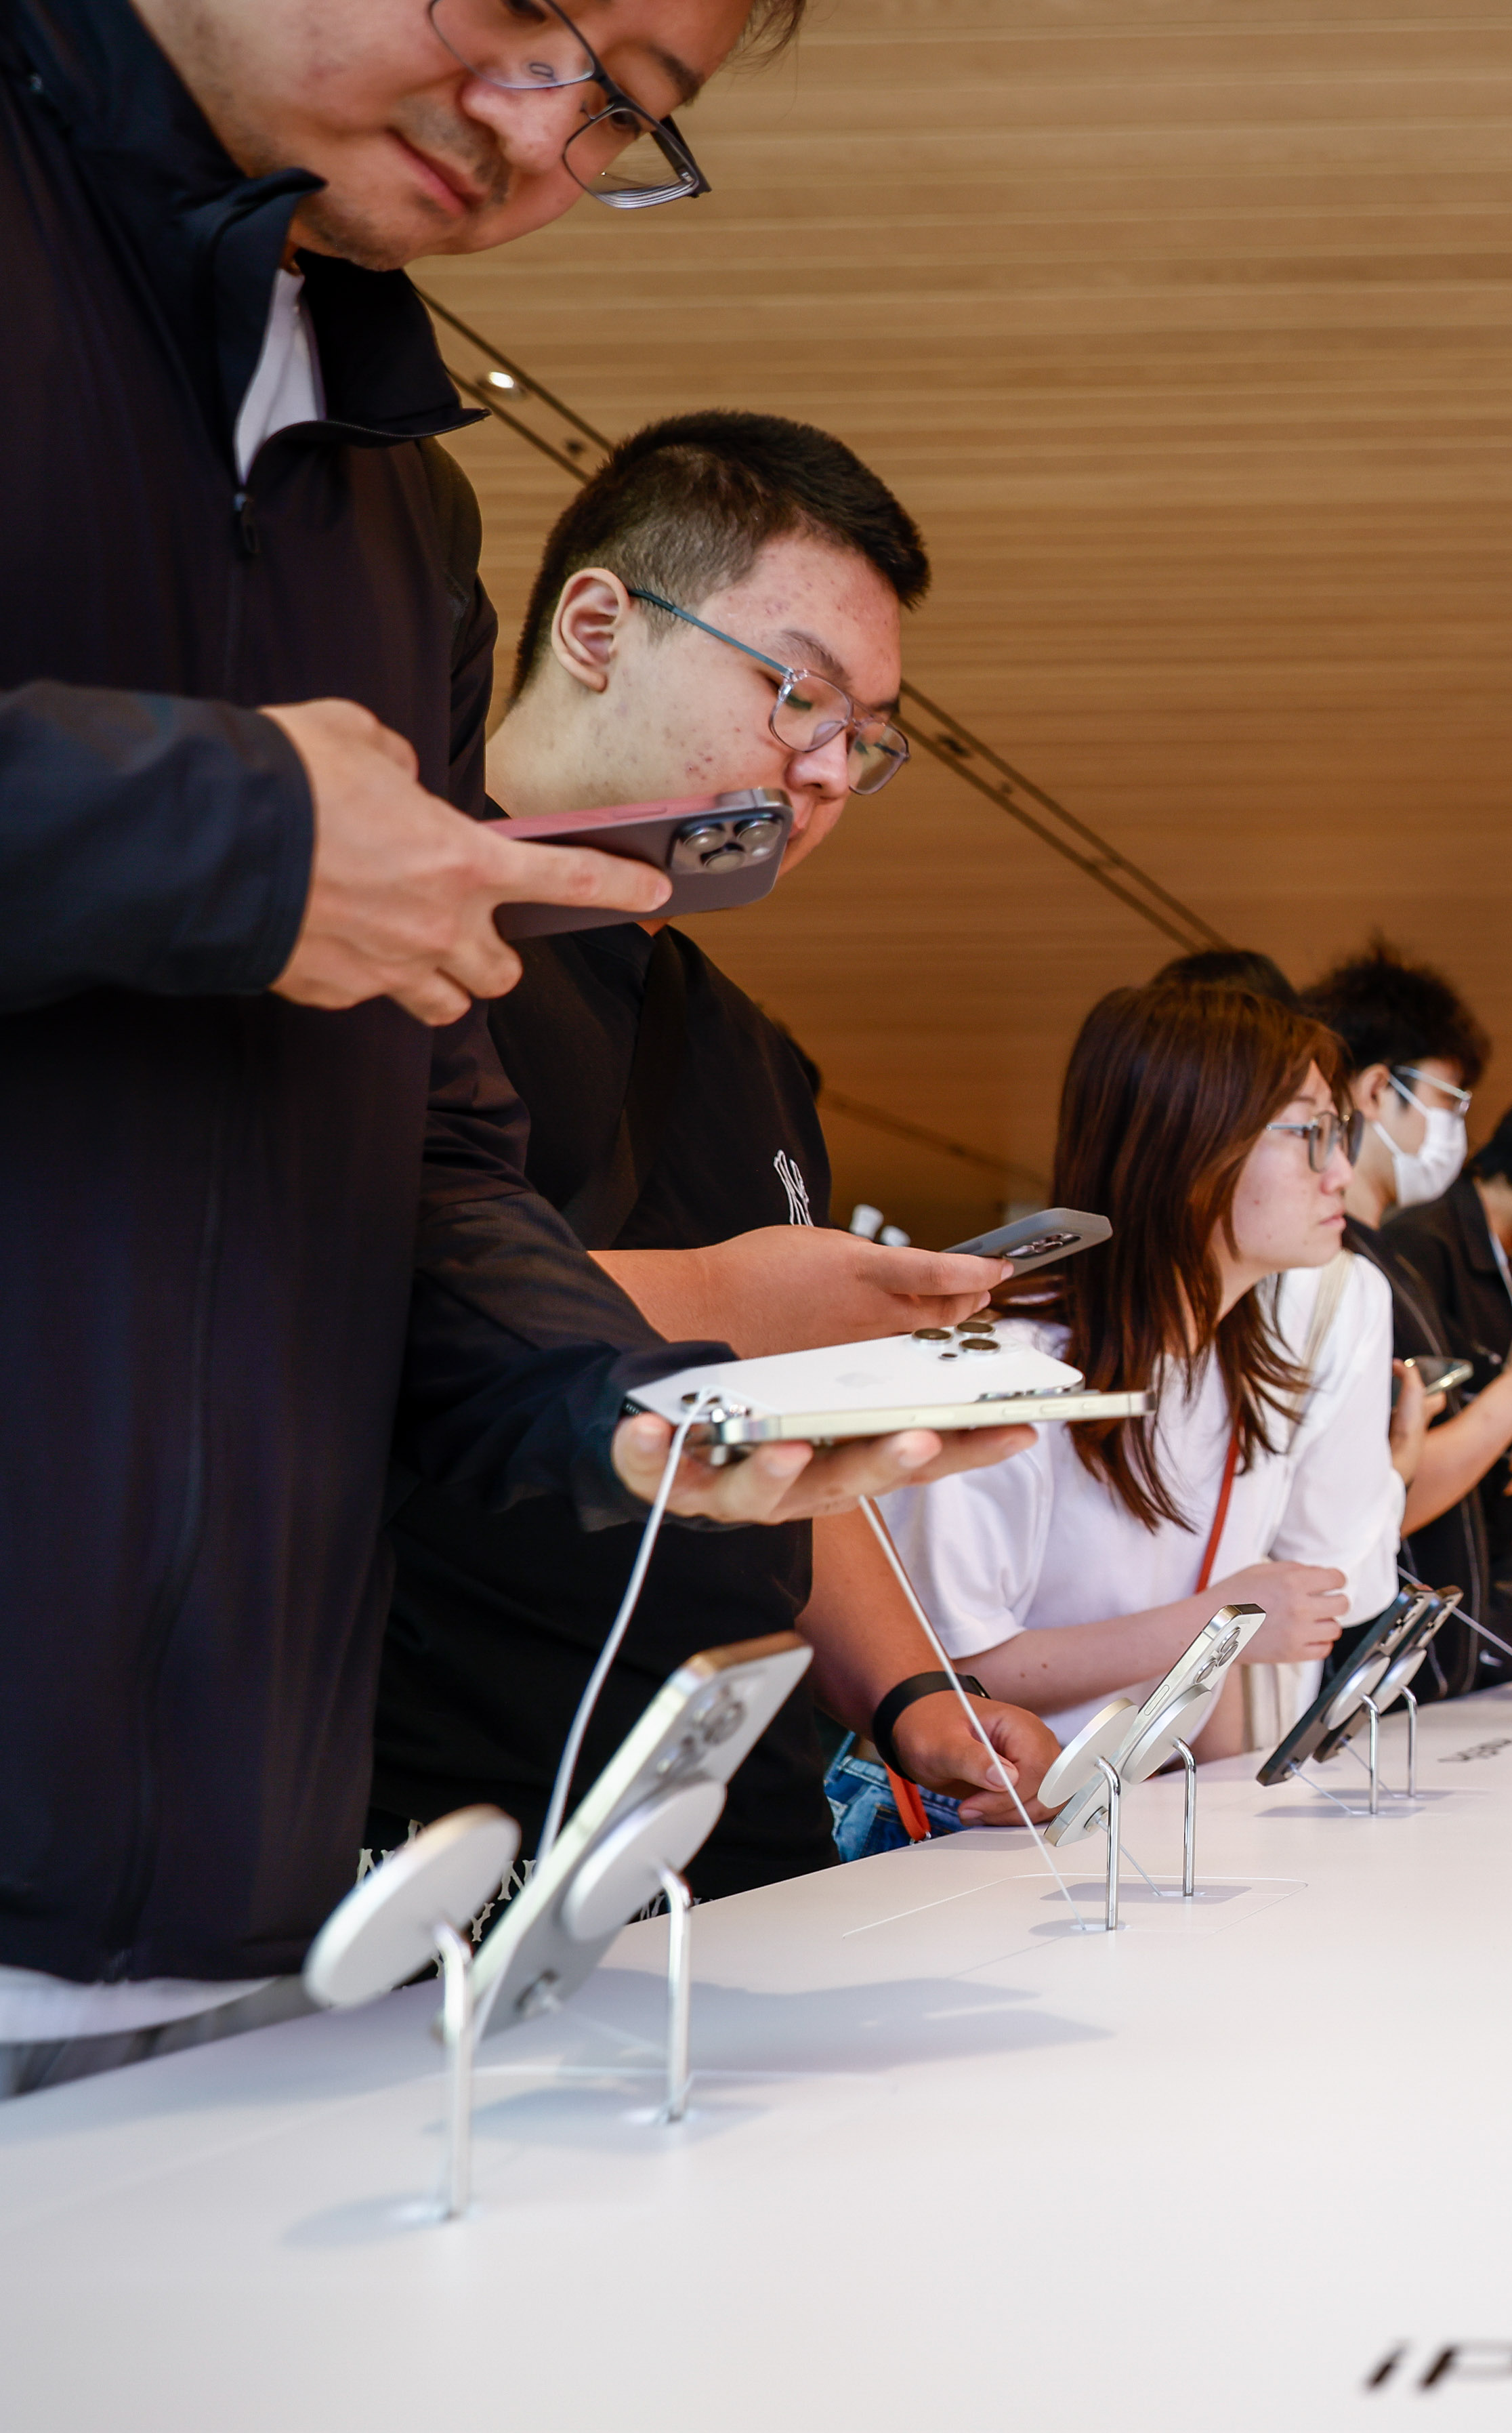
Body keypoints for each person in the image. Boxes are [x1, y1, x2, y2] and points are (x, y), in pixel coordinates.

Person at [0, 0, 1006, 2094]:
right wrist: (230, 831)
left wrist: (636, 1420)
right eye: (531, 13)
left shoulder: (396, 503)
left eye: (628, 108)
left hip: (244, 1899)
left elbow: (418, 1160)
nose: (542, 121)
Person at [371, 413, 1060, 1897]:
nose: (823, 770)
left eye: (865, 738)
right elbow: (339, 1310)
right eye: (797, 692)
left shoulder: (750, 1047)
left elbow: (802, 1472)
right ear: (600, 623)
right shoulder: (389, 946)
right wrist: (726, 1299)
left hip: (744, 1820)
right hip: (445, 1820)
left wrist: (912, 1699)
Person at [882, 982, 1400, 1774]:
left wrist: (1241, 1802)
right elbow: (951, 1668)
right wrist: (1224, 1621)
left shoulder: (1232, 1364)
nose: (1339, 1174)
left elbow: (1203, 1680)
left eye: (1339, 1133)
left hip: (1126, 1814)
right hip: (974, 1829)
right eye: (1310, 1132)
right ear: (1194, 1145)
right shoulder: (1008, 1362)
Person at [1303, 946, 1512, 1695]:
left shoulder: (1388, 1262)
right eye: (1449, 1102)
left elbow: (1508, 1460)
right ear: (1378, 1090)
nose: (1456, 1131)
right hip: (1368, 1680)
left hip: (1432, 1670)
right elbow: (1369, 1503)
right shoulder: (1339, 1263)